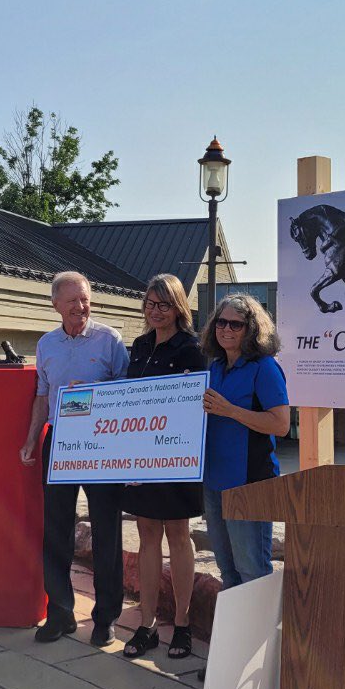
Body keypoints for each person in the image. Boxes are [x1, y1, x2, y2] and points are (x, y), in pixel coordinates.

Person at [20, 271, 129, 646]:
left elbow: (129, 391)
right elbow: (42, 396)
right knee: (56, 530)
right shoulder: (46, 344)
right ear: (56, 305)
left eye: (85, 299)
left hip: (102, 442)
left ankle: (106, 618)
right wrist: (32, 440)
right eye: (72, 301)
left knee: (106, 530)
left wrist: (97, 393)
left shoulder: (110, 339)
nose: (81, 307)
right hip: (61, 441)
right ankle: (60, 613)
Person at [122, 274, 206, 661]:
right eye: (150, 304)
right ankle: (148, 624)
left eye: (164, 304)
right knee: (147, 534)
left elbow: (195, 403)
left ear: (178, 307)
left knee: (178, 534)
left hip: (175, 456)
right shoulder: (139, 347)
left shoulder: (192, 348)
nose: (155, 311)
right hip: (141, 456)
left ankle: (183, 624)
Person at [200, 293, 291, 589]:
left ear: (251, 329)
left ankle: (260, 624)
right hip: (214, 483)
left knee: (252, 573)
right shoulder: (215, 367)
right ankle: (236, 623)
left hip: (249, 484)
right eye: (221, 322)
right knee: (228, 571)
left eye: (235, 324)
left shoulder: (264, 367)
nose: (226, 329)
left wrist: (230, 410)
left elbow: (281, 424)